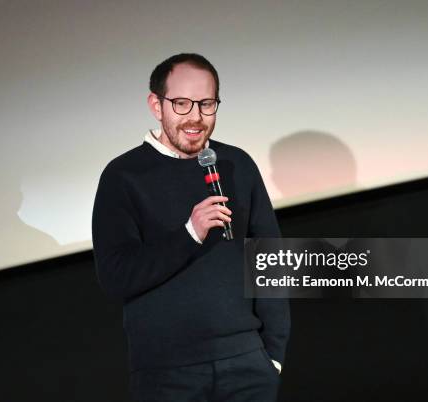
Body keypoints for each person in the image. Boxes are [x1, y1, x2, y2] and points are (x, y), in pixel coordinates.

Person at [92, 53, 290, 401]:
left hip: (247, 365)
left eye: (207, 104)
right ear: (157, 104)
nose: (195, 117)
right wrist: (189, 234)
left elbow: (270, 262)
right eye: (182, 104)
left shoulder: (237, 164)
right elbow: (116, 277)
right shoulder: (123, 177)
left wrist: (272, 355)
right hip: (166, 374)